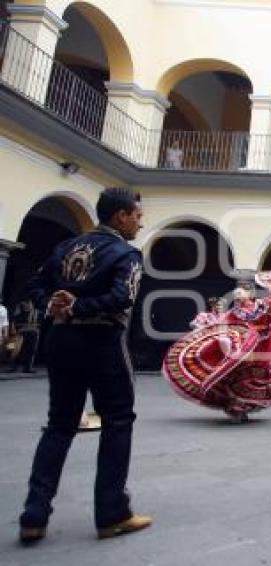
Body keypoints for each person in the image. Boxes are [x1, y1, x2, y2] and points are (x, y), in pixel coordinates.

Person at [18, 187, 150, 544]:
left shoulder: (65, 247)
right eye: (137, 216)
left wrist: (56, 304)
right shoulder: (126, 253)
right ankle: (112, 513)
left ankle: (34, 512)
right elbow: (123, 297)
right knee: (118, 421)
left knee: (59, 425)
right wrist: (78, 307)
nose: (140, 222)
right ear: (120, 216)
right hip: (103, 342)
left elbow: (35, 283)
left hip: (61, 341)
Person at [163, 274, 271, 419]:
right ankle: (236, 407)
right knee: (234, 376)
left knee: (253, 377)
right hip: (240, 350)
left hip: (259, 348)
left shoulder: (262, 306)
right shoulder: (233, 312)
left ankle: (242, 406)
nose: (237, 296)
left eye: (241, 292)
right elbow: (222, 325)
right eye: (236, 293)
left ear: (250, 294)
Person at [7, 299, 40, 373]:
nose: (26, 306)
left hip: (33, 333)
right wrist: (13, 328)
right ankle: (14, 367)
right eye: (25, 304)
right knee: (16, 350)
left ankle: (27, 368)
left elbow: (40, 323)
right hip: (20, 333)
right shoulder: (19, 312)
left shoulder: (37, 312)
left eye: (28, 304)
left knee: (31, 351)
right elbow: (14, 321)